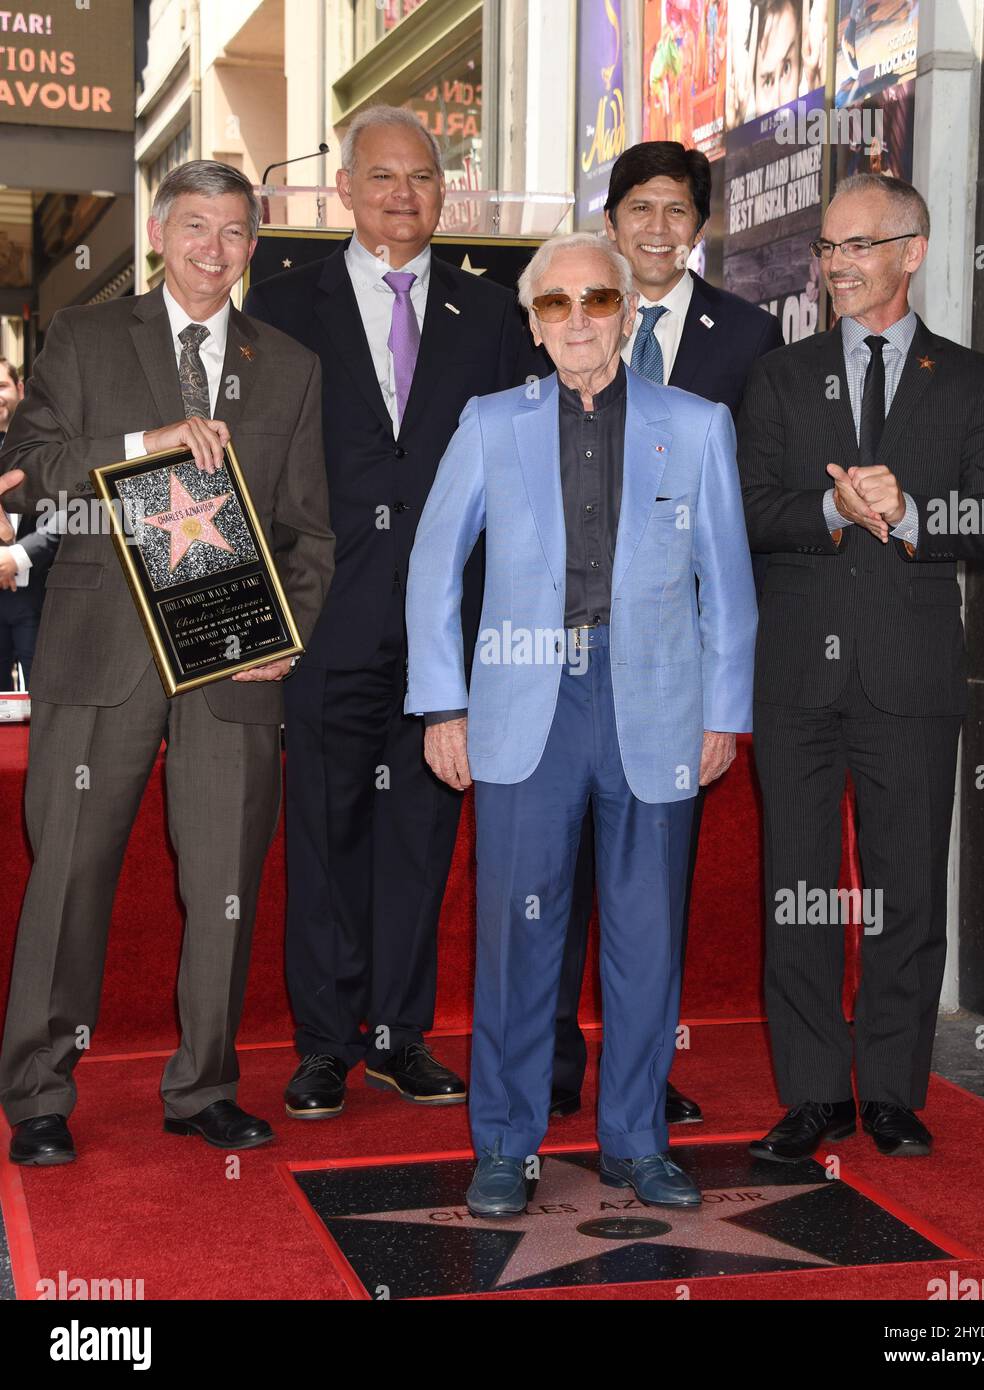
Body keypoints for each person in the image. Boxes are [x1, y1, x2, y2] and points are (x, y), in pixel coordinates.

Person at [405, 232, 757, 1215]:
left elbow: (725, 580)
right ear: (531, 321)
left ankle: (638, 1140)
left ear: (624, 312)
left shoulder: (694, 426)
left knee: (646, 937)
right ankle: (504, 1145)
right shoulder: (488, 422)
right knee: (520, 938)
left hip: (655, 704)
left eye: (594, 300)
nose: (574, 321)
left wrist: (724, 710)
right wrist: (442, 702)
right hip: (524, 703)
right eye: (552, 304)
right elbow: (433, 567)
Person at [0, 160, 334, 1164]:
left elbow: (311, 534)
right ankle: (39, 1092)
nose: (213, 250)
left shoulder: (292, 366)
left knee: (227, 879)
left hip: (232, 665)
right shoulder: (88, 338)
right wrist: (146, 440)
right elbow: (26, 478)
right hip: (99, 656)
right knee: (67, 874)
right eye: (195, 227)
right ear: (158, 232)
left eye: (235, 232)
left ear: (254, 245)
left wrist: (285, 637)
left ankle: (203, 1087)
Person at [243, 106, 540, 1121]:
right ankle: (323, 1044)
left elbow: (519, 477)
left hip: (451, 631)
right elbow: (252, 472)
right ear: (345, 191)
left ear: (443, 192)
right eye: (381, 178)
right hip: (324, 619)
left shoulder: (491, 314)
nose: (402, 195)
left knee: (422, 831)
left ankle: (396, 1037)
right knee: (325, 831)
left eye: (421, 177)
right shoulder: (281, 307)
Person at [738, 173, 984, 1162]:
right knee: (799, 889)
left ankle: (893, 1092)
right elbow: (752, 511)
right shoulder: (779, 376)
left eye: (858, 246)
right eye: (827, 247)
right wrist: (829, 512)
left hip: (909, 678)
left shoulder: (975, 383)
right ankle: (813, 1091)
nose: (836, 265)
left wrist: (907, 519)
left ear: (914, 250)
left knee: (905, 888)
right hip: (796, 684)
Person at [549, 140, 782, 1126]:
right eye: (638, 208)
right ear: (610, 221)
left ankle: (644, 1071)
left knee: (654, 881)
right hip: (556, 646)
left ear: (699, 225)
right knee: (550, 870)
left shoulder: (748, 338)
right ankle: (547, 1059)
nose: (656, 228)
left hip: (672, 659)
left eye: (676, 211)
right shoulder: (563, 310)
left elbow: (749, 512)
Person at [0, 355, 59, 687]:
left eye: (1, 386)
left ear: (20, 388)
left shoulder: (49, 439)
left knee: (41, 696)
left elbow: (71, 511)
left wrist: (15, 557)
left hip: (37, 595)